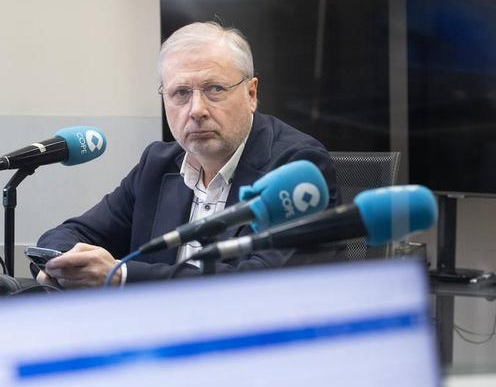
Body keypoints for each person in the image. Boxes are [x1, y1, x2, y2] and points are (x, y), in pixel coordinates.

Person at [36, 21, 338, 288]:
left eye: (214, 89)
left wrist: (123, 276)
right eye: (180, 93)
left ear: (251, 94)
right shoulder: (157, 164)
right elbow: (69, 235)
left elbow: (262, 282)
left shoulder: (297, 165)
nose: (196, 111)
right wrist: (61, 265)